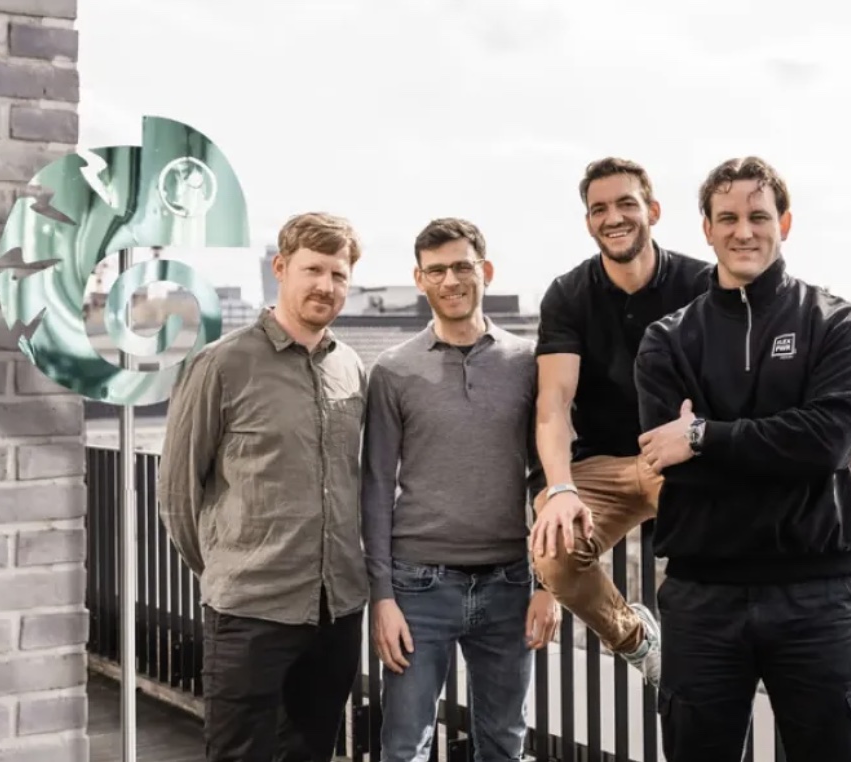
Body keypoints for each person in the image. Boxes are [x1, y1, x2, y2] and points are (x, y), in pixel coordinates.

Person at [634, 156, 851, 762]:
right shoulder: (667, 340)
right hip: (702, 598)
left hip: (816, 594)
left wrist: (702, 436)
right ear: (707, 229)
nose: (744, 231)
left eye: (759, 216)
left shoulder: (838, 325)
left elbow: (829, 441)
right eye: (728, 217)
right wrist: (787, 446)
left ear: (785, 223)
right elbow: (668, 458)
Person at [157, 212, 369, 762]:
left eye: (339, 274)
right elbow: (178, 491)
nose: (326, 285)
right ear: (280, 268)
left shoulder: (351, 368)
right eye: (313, 269)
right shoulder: (221, 364)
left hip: (337, 610)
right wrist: (230, 567)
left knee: (313, 750)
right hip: (250, 612)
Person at [362, 217, 560, 762]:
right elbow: (376, 486)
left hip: (508, 585)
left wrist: (549, 583)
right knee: (405, 745)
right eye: (436, 270)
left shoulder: (527, 363)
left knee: (505, 743)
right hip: (417, 587)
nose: (450, 280)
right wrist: (382, 597)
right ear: (420, 279)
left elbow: (548, 477)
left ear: (485, 271)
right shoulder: (393, 371)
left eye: (461, 266)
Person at [528, 157, 711, 687]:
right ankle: (635, 638)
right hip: (602, 464)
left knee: (723, 541)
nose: (614, 217)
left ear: (652, 210)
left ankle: (713, 660)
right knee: (553, 554)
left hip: (677, 460)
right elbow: (554, 402)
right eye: (599, 209)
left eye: (626, 203)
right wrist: (559, 487)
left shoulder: (702, 284)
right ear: (588, 222)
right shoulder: (568, 294)